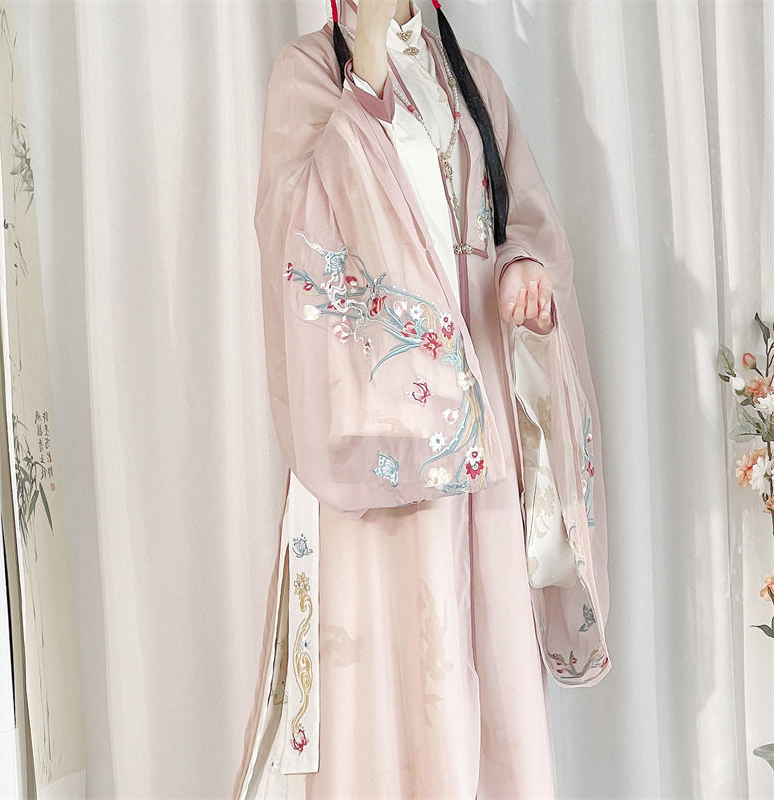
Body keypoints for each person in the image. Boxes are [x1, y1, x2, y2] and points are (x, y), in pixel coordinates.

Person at [234, 0, 610, 796]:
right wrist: (367, 63)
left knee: (489, 670)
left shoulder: (473, 81)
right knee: (393, 677)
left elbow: (521, 219)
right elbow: (303, 234)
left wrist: (522, 268)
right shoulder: (309, 73)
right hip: (382, 442)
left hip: (483, 429)